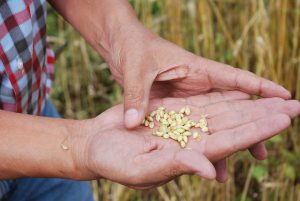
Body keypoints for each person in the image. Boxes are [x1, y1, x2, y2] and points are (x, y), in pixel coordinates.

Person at [0, 0, 299, 201]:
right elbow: (78, 145)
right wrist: (77, 146)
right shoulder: (79, 144)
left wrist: (122, 33)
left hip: (36, 114)